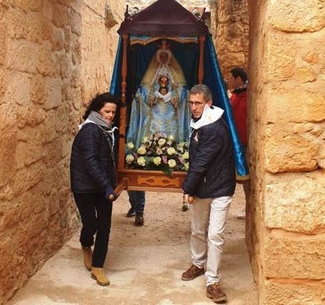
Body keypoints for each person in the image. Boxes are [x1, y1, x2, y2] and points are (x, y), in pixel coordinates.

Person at [181, 84, 236, 303]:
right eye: (192, 103)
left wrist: (187, 189)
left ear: (209, 103)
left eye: (198, 103)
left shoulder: (213, 127)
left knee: (214, 234)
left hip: (220, 187)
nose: (194, 107)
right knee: (196, 229)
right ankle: (197, 263)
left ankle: (212, 281)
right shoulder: (201, 122)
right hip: (204, 187)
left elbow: (201, 162)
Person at [126, 40, 191, 222]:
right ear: (157, 56)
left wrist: (174, 96)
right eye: (160, 56)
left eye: (165, 56)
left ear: (169, 57)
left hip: (171, 115)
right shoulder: (152, 73)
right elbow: (143, 92)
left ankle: (185, 195)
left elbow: (184, 92)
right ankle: (138, 208)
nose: (163, 58)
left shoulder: (176, 73)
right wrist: (153, 96)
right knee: (150, 142)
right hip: (154, 115)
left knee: (173, 140)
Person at [70, 92, 119, 287]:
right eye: (107, 111)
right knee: (91, 224)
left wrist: (112, 182)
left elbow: (108, 159)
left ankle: (98, 266)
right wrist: (107, 184)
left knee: (105, 225)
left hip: (103, 186)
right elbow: (91, 162)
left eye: (113, 112)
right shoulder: (91, 130)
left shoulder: (107, 129)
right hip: (85, 186)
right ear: (97, 110)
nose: (110, 116)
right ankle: (85, 242)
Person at [228, 67, 249, 219]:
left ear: (238, 80)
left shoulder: (247, 96)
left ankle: (249, 207)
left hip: (245, 143)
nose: (229, 81)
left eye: (231, 78)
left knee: (247, 177)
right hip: (236, 142)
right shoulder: (235, 96)